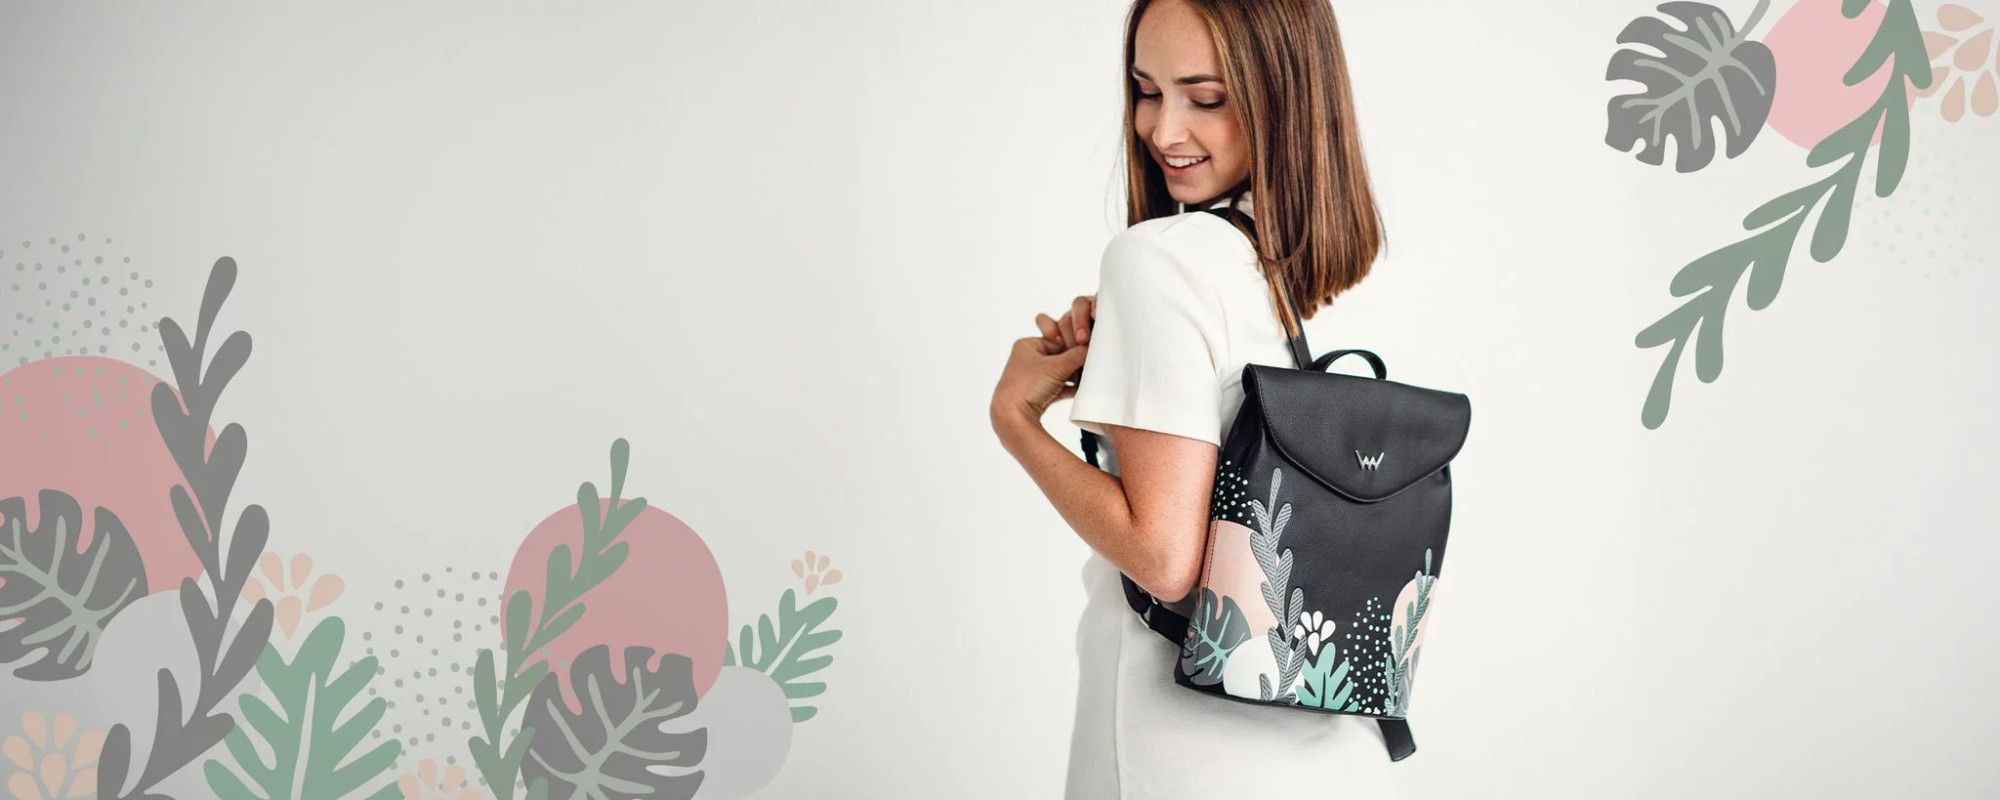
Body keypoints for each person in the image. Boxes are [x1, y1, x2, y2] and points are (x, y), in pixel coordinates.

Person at [988, 0, 1395, 796]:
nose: (1162, 130)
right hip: (1326, 745)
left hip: (1181, 751)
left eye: (1206, 98)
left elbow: (1164, 561)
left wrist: (1015, 420)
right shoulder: (1301, 276)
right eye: (1147, 90)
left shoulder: (1159, 259)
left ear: (1285, 97)